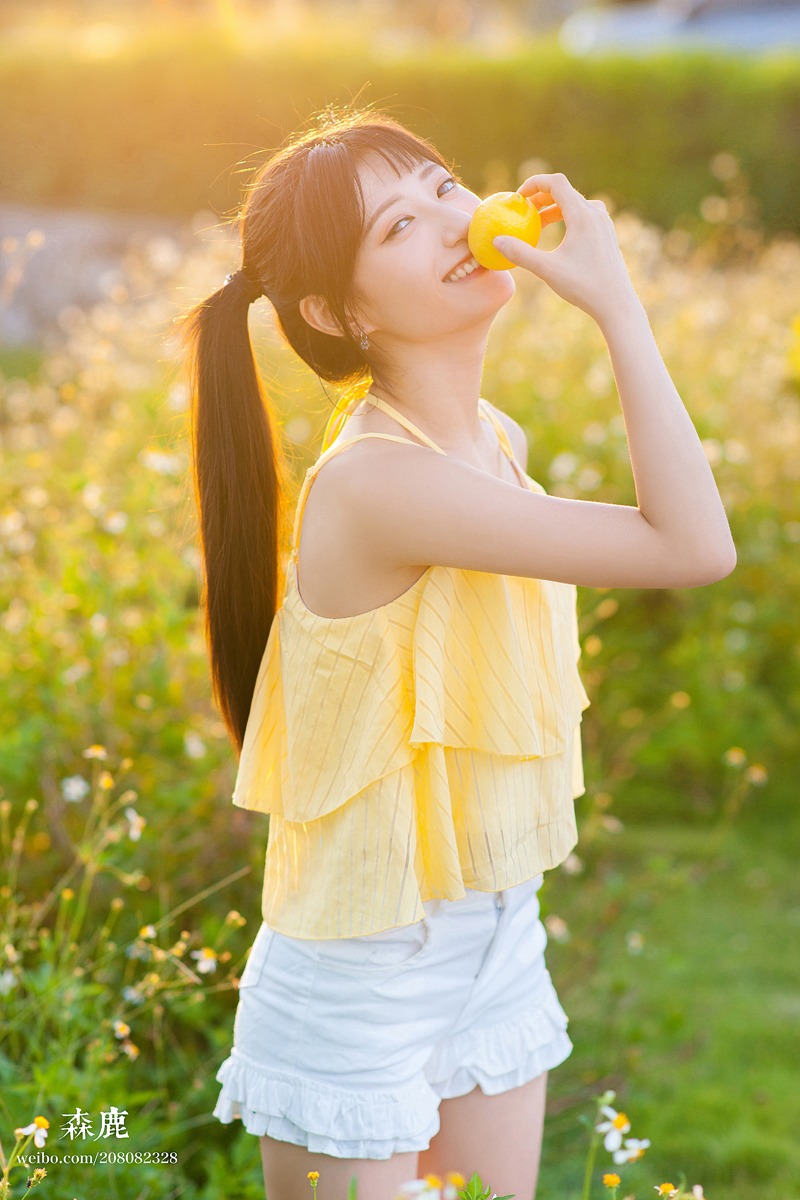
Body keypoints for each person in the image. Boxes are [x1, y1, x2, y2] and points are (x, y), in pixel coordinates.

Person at [178, 106, 736, 1200]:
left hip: (490, 934)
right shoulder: (381, 484)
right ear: (336, 312)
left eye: (439, 186)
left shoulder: (492, 443)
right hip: (360, 968)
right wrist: (615, 304)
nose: (449, 218)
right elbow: (692, 545)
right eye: (397, 226)